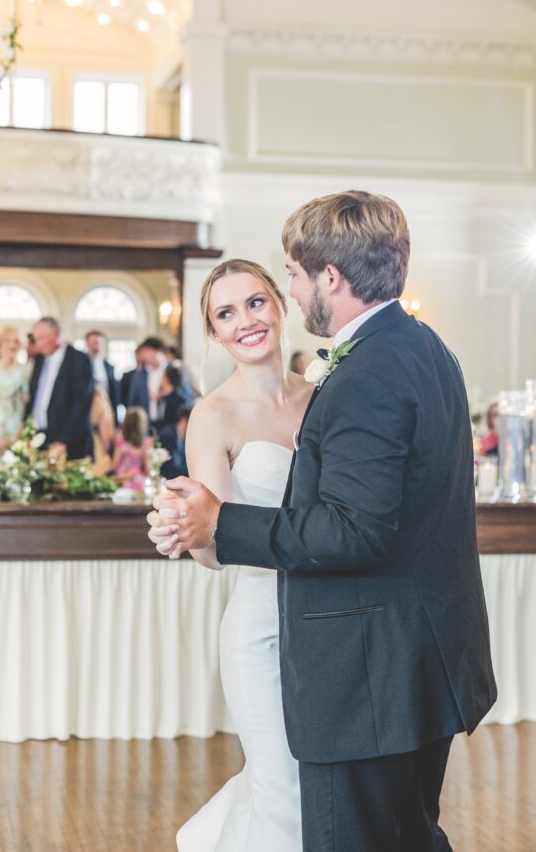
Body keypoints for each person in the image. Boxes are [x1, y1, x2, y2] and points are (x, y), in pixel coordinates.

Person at [150, 191, 496, 852]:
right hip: (406, 652)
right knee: (406, 833)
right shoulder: (424, 348)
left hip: (365, 663)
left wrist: (217, 521)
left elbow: (353, 530)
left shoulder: (357, 374)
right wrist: (195, 525)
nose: (288, 287)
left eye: (289, 276)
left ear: (327, 280)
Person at [152, 258, 311, 850]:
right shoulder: (211, 416)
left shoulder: (322, 397)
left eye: (255, 302)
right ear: (214, 333)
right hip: (261, 628)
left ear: (281, 304)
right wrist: (184, 530)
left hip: (328, 621)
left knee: (320, 782)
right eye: (226, 313)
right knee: (279, 782)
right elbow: (213, 550)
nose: (245, 320)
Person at [25, 316, 94, 460]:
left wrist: (63, 442)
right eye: (35, 339)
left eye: (42, 338)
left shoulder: (79, 360)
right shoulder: (39, 360)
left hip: (67, 441)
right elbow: (34, 398)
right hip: (39, 436)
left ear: (56, 335)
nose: (38, 344)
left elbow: (81, 405)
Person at [125, 336, 167, 424]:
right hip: (145, 423)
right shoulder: (139, 374)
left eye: (146, 351)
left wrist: (163, 395)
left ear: (156, 351)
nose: (143, 355)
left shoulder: (170, 371)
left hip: (167, 423)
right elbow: (132, 401)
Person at [111, 406, 150, 490]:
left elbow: (114, 465)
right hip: (139, 481)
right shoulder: (144, 445)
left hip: (122, 479)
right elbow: (147, 471)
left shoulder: (120, 442)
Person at [85, 330, 120, 419]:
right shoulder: (79, 365)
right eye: (92, 343)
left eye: (97, 343)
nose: (95, 347)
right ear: (87, 344)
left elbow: (114, 394)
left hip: (106, 414)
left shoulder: (109, 367)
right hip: (86, 414)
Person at [159, 404, 192, 480]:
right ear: (184, 420)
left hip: (179, 477)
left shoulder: (183, 437)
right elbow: (169, 468)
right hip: (168, 479)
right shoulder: (167, 435)